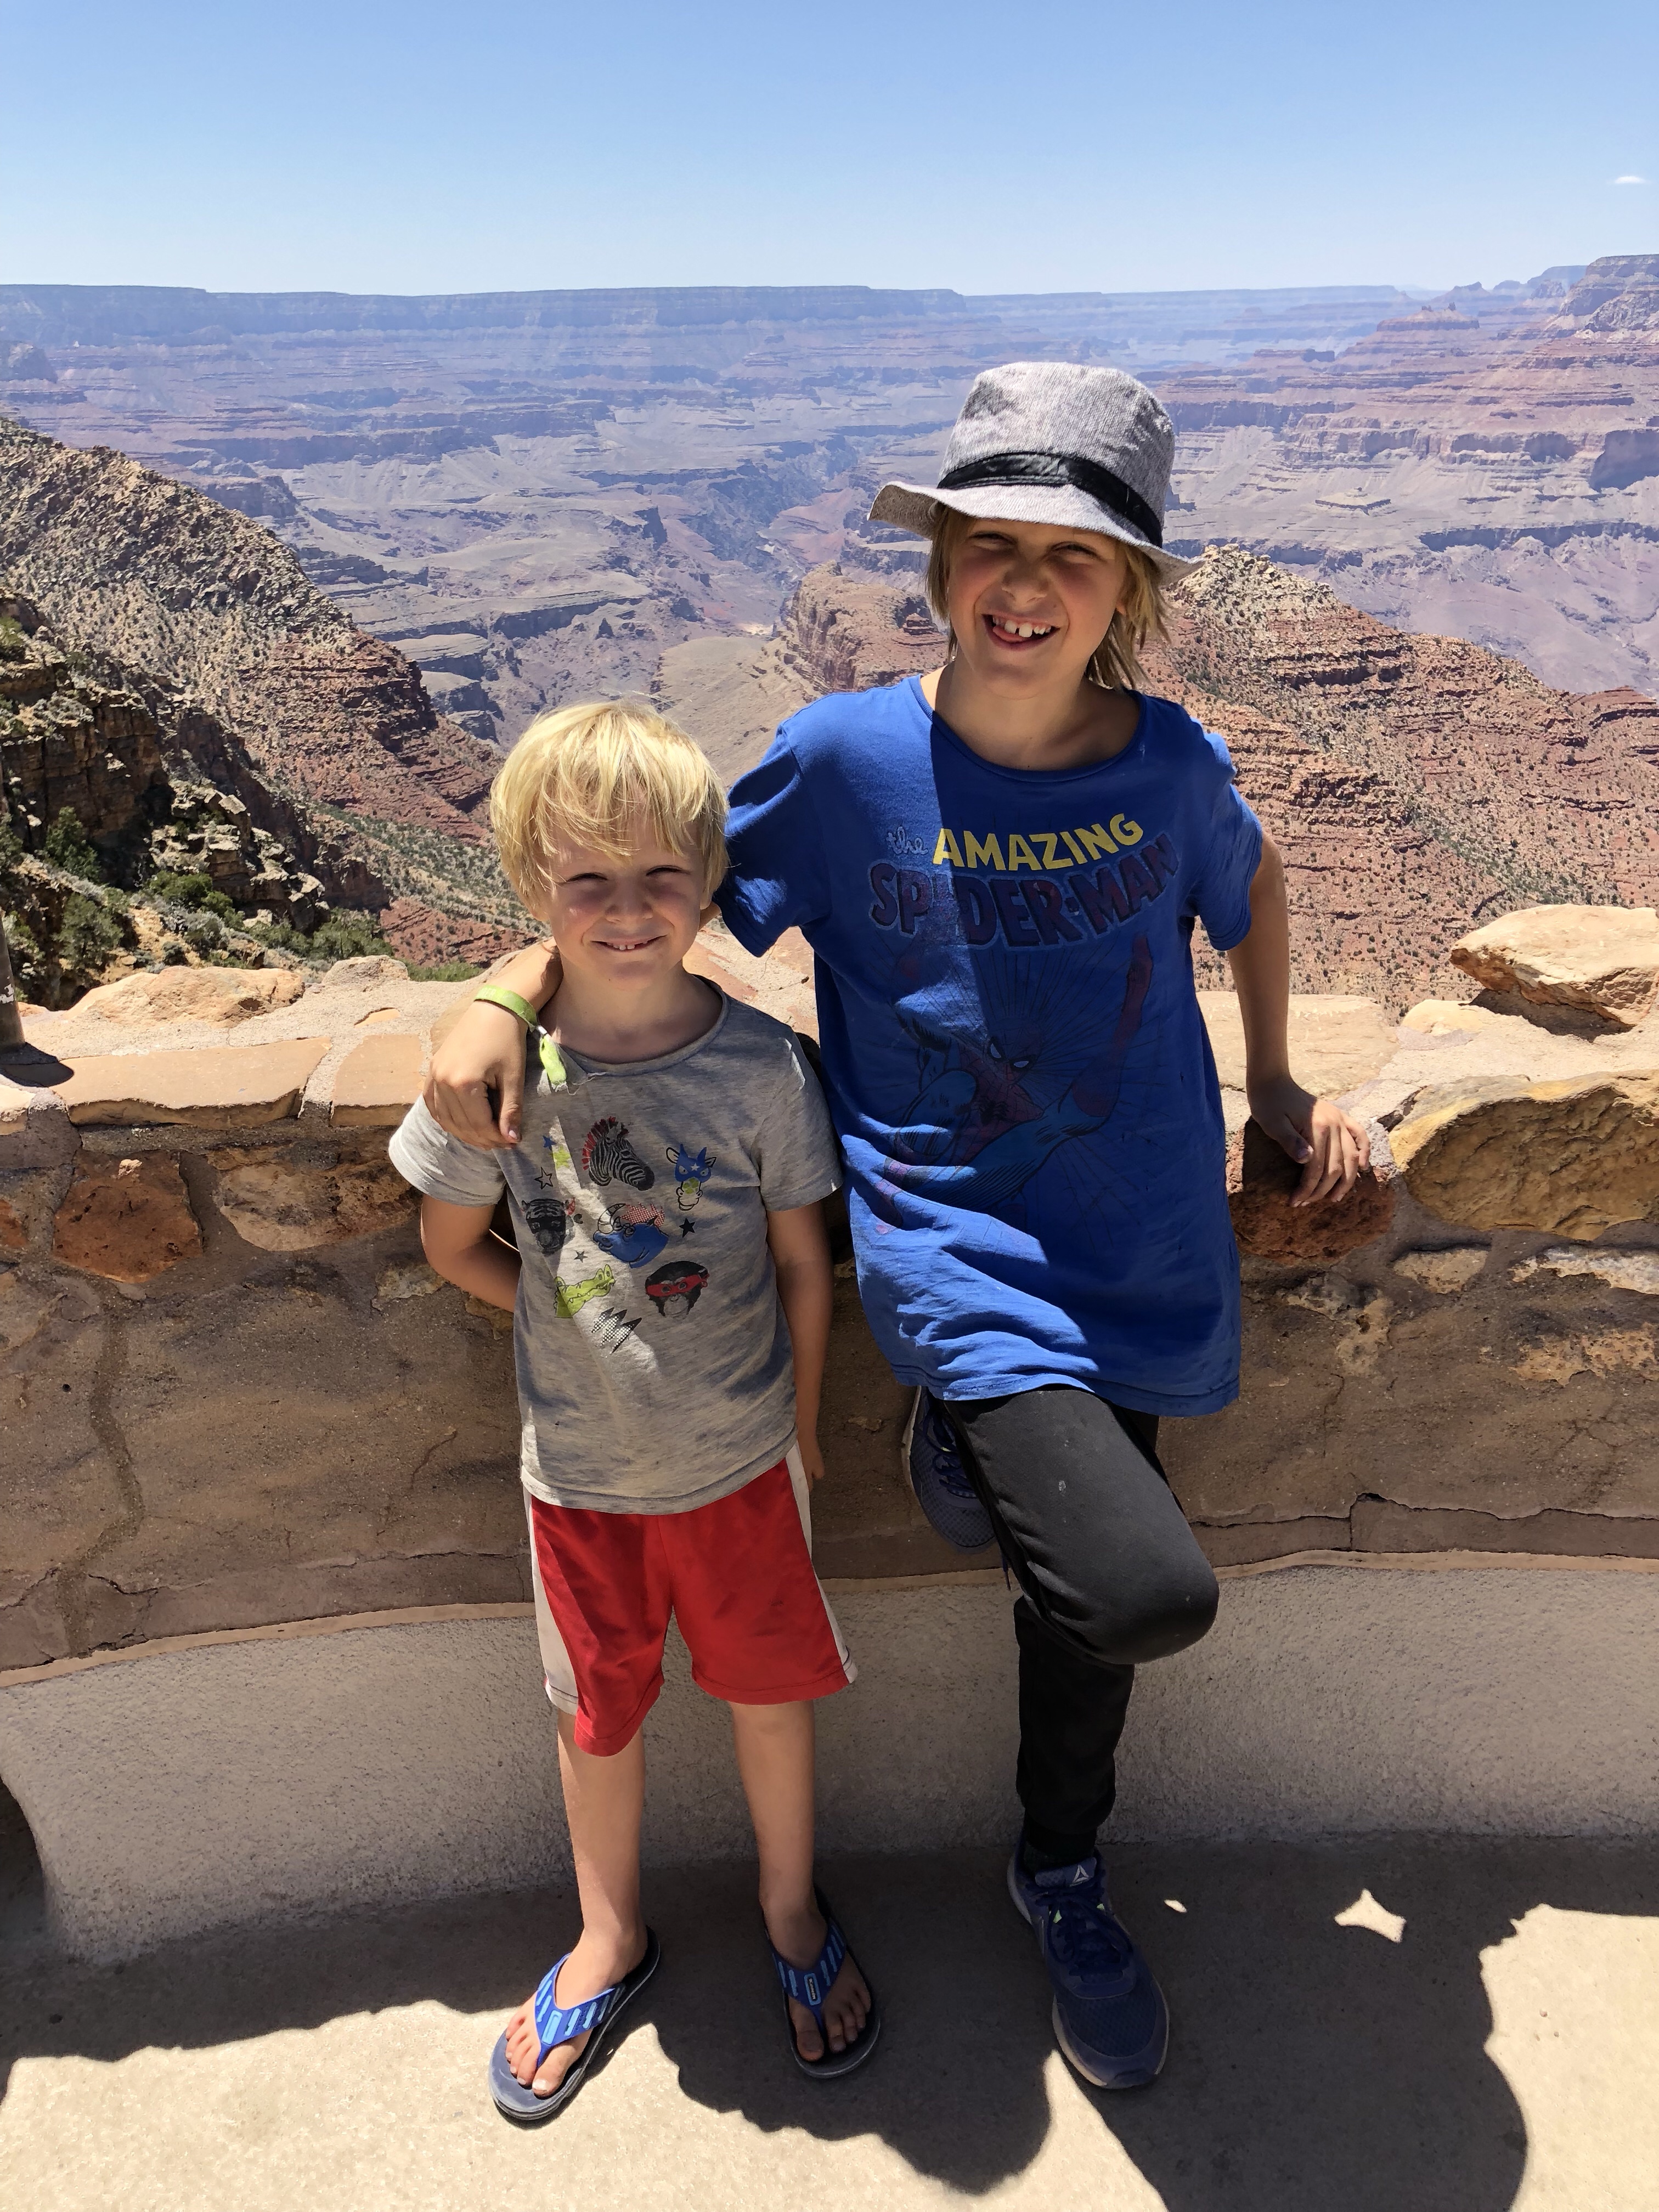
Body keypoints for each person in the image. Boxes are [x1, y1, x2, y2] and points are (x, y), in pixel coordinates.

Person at [424, 363, 1370, 2092]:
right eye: (990, 542)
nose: (1025, 584)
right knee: (1142, 1590)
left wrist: (1286, 1085)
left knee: (1077, 1622)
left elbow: (1254, 885)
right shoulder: (844, 759)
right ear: (938, 563)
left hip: (1146, 1239)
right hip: (961, 1253)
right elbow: (644, 894)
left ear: (1127, 590)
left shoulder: (1172, 764)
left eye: (1073, 556)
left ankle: (1061, 1871)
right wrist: (501, 991)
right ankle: (962, 1429)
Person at [390, 701, 879, 2122]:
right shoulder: (504, 1079)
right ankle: (608, 1934)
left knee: (770, 1700)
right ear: (530, 889)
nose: (626, 909)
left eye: (664, 873)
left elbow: (804, 1262)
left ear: (711, 882)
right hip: (579, 1479)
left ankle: (790, 1908)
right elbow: (449, 1245)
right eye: (586, 880)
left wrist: (803, 1426)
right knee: (594, 1719)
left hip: (743, 1465)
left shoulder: (762, 1070)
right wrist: (567, 1316)